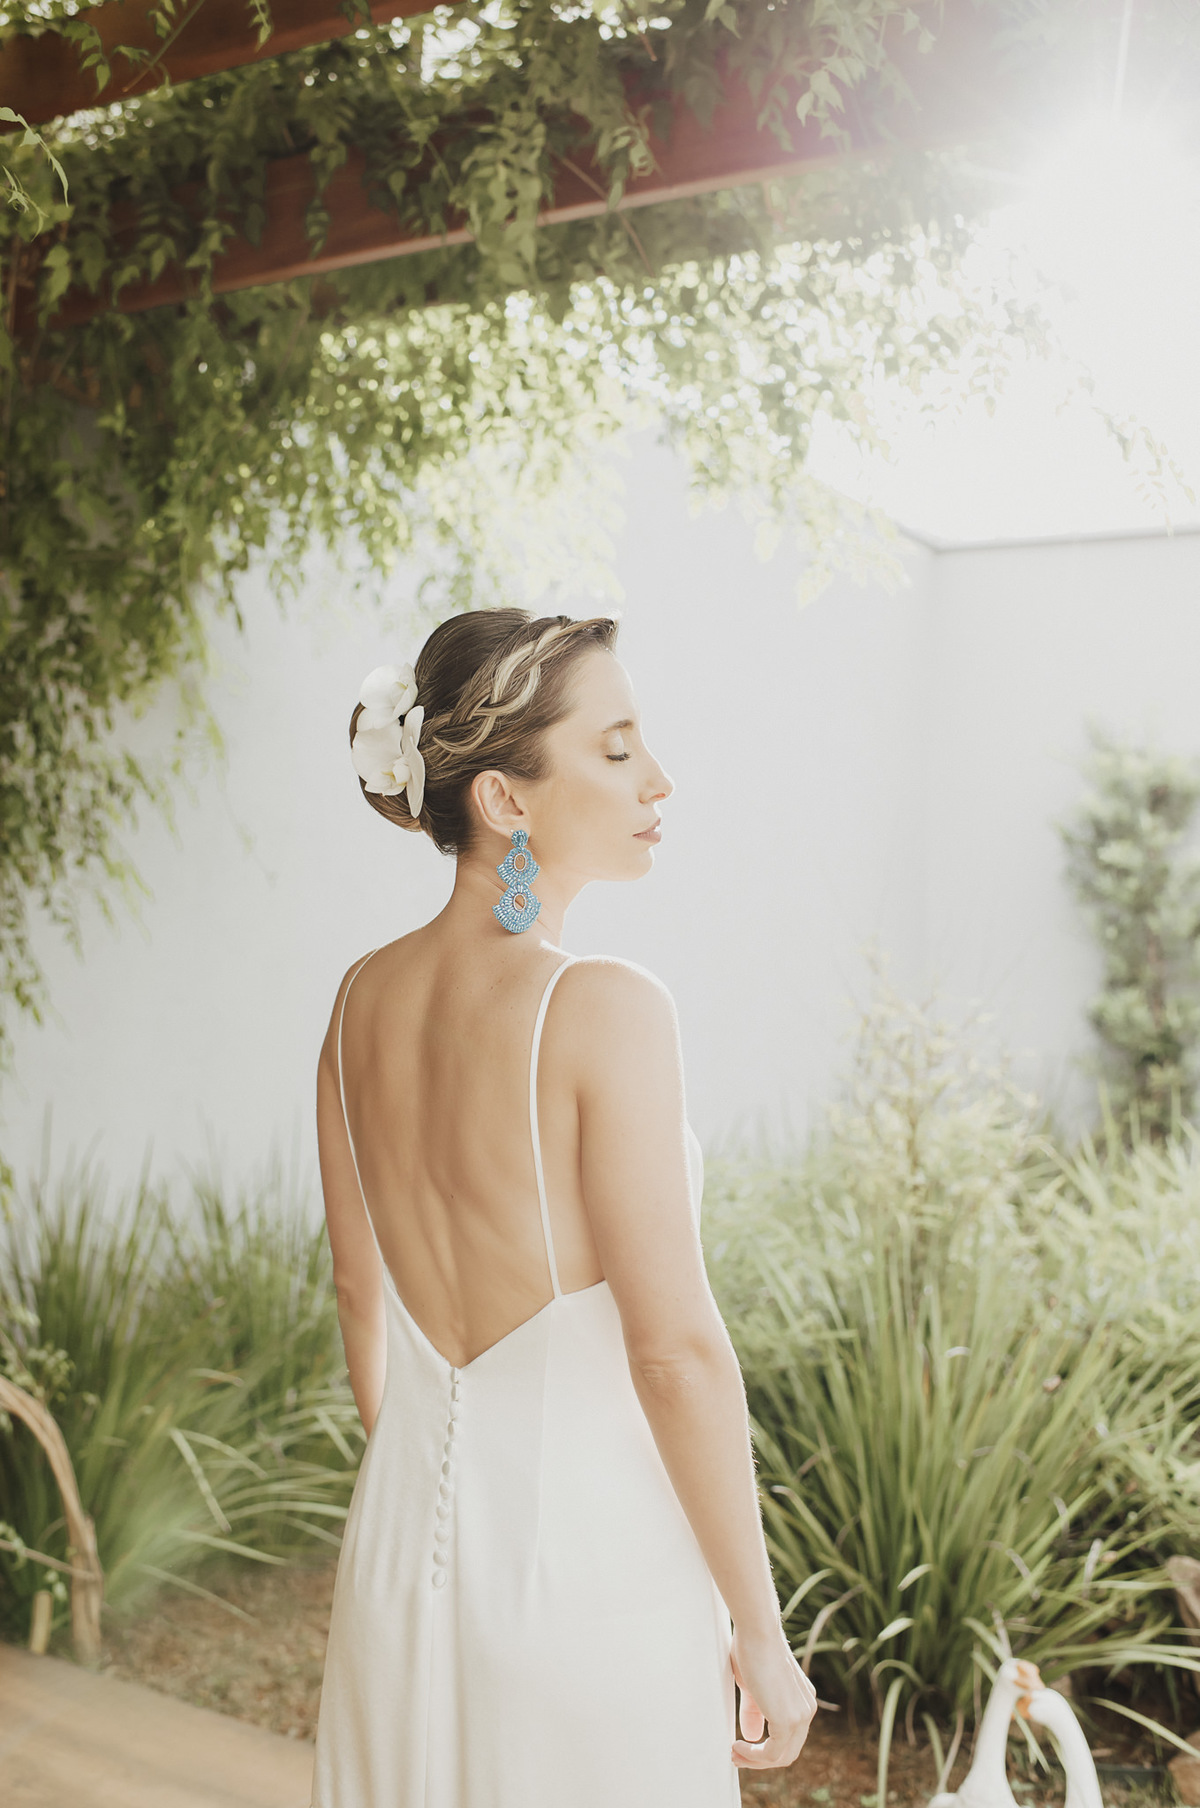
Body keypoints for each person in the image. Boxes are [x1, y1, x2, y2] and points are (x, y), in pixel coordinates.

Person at [310, 608, 816, 1807]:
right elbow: (676, 1350)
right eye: (618, 748)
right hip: (587, 1574)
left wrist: (426, 1505)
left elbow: (356, 1295)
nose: (660, 779)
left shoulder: (355, 1001)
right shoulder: (605, 1006)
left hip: (396, 1569)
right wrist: (762, 1631)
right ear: (505, 802)